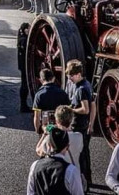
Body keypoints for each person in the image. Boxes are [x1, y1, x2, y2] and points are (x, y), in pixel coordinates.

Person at [27, 126, 84, 195]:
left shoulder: (35, 165)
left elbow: (30, 192)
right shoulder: (71, 170)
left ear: (49, 145)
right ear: (67, 147)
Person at [66, 59, 94, 189]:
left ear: (78, 74)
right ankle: (88, 179)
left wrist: (71, 109)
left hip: (79, 125)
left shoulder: (81, 88)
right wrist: (91, 124)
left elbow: (86, 109)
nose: (70, 79)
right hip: (85, 125)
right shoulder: (87, 84)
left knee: (80, 155)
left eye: (71, 76)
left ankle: (84, 183)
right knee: (85, 153)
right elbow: (93, 106)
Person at [36, 106, 84, 174]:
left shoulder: (50, 138)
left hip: (57, 173)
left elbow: (38, 151)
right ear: (72, 120)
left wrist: (45, 134)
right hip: (74, 171)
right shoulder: (79, 136)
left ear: (57, 121)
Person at [33, 68, 71, 133]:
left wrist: (37, 130)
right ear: (53, 78)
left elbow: (37, 116)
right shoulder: (62, 93)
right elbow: (69, 112)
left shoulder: (39, 95)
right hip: (60, 126)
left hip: (46, 127)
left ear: (41, 80)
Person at [17, 22, 32, 112]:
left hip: (23, 65)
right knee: (24, 85)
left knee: (24, 84)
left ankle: (24, 105)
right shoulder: (24, 40)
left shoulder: (21, 38)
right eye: (29, 29)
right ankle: (23, 105)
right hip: (25, 66)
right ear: (25, 29)